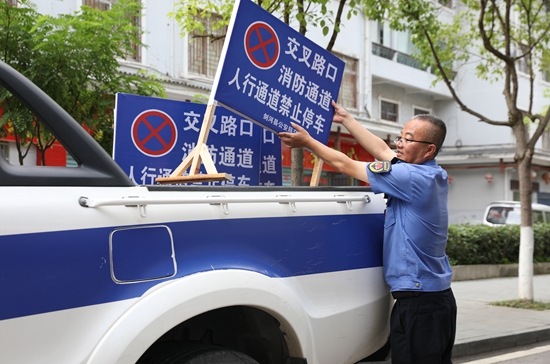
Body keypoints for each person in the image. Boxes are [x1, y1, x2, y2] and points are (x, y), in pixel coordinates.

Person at [278, 101, 456, 364]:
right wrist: (347, 119)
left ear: (429, 149)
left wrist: (308, 142)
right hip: (433, 302)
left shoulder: (411, 177)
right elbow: (382, 149)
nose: (399, 143)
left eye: (408, 139)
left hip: (421, 305)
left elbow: (345, 165)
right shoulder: (430, 173)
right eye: (400, 136)